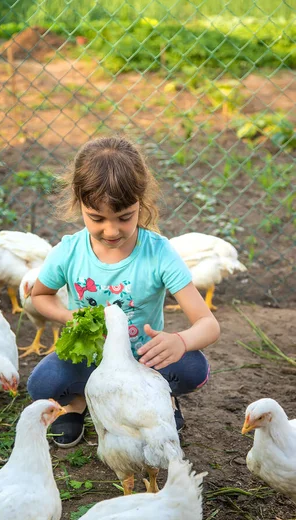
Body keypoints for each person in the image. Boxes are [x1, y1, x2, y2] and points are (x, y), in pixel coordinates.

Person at [27, 136, 220, 448]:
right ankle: (79, 403)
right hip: (90, 358)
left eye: (124, 217)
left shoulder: (158, 253)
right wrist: (68, 315)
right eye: (97, 218)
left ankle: (161, 397)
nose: (111, 230)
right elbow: (40, 295)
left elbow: (208, 325)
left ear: (140, 203)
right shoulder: (69, 251)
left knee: (192, 367)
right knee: (42, 384)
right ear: (79, 204)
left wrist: (180, 340)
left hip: (143, 359)